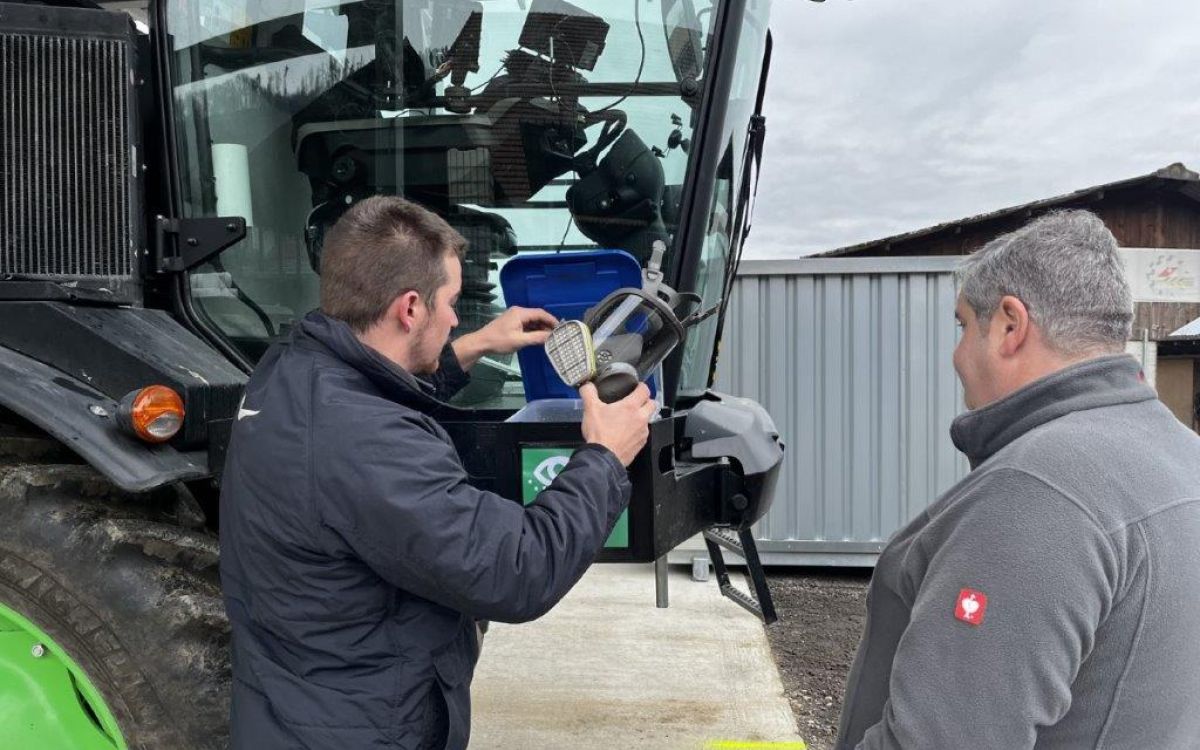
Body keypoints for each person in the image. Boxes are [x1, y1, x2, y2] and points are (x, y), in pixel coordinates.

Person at [219, 196, 656, 749]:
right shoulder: (366, 441)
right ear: (409, 308)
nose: (455, 317)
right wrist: (604, 456)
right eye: (450, 304)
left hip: (295, 706)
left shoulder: (290, 366)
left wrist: (474, 346)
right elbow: (518, 569)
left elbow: (373, 387)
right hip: (358, 732)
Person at [836, 210, 1200, 748]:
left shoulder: (1037, 492)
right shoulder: (1183, 455)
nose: (957, 354)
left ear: (1009, 325)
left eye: (962, 326)